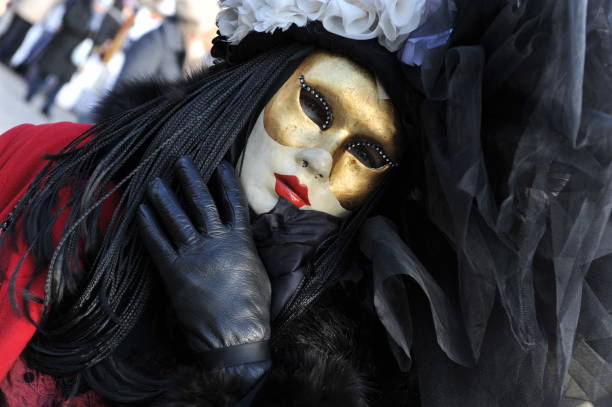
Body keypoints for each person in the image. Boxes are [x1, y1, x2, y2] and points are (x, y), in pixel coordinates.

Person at [0, 0, 611, 406]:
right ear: (255, 86)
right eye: (317, 107)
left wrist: (244, 365)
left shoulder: (359, 356)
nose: (323, 160)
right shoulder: (62, 167)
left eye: (368, 153)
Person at [24, 0, 123, 117]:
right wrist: (87, 30)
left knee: (63, 80)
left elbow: (103, 37)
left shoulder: (106, 19)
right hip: (64, 45)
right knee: (46, 71)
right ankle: (32, 92)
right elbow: (69, 19)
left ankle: (48, 104)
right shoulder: (81, 4)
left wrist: (95, 37)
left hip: (79, 53)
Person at [115, 0, 214, 86]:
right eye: (213, 31)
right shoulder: (156, 42)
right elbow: (121, 98)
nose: (215, 37)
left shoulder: (201, 56)